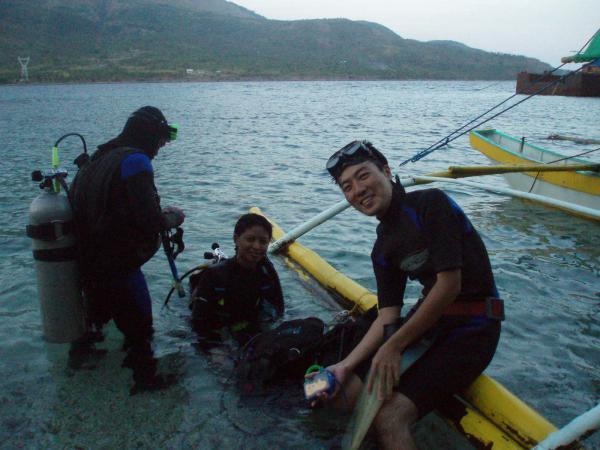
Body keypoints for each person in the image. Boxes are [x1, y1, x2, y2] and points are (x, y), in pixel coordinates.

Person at [319, 140, 503, 449]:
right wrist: (345, 365)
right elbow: (387, 315)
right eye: (347, 186)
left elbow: (449, 285)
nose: (357, 190)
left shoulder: (431, 204)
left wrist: (394, 346)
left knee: (390, 417)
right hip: (432, 323)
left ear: (387, 171)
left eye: (363, 176)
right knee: (345, 391)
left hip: (475, 326)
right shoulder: (382, 248)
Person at [69, 106, 185, 393]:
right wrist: (173, 217)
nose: (161, 146)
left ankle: (76, 369)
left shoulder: (98, 158)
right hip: (117, 265)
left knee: (95, 320)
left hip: (86, 262)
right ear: (148, 135)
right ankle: (145, 382)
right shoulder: (136, 161)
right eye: (160, 138)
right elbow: (148, 220)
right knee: (141, 327)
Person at [189, 213, 284, 346]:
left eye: (263, 242)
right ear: (236, 239)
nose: (256, 246)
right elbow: (198, 323)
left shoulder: (267, 273)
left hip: (248, 322)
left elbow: (279, 310)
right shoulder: (215, 275)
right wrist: (215, 351)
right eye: (250, 239)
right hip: (218, 323)